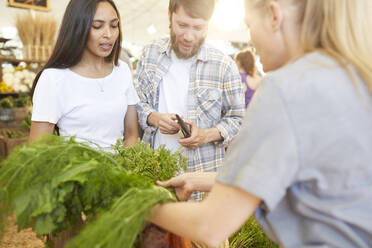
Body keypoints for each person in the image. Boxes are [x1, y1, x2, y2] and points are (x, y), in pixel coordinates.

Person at [146, 0, 372, 247]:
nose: (251, 41)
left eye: (249, 25)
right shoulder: (351, 74)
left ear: (274, 15)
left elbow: (210, 226)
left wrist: (139, 205)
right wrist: (197, 180)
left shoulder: (285, 88)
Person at [29, 0, 139, 246]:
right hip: (72, 195)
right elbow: (38, 151)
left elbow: (132, 133)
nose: (108, 35)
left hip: (116, 191)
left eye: (114, 25)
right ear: (77, 28)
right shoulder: (55, 79)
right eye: (97, 26)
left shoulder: (122, 72)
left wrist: (119, 171)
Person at [135, 0, 245, 202]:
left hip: (201, 184)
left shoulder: (223, 65)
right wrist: (153, 117)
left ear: (209, 24)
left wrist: (205, 135)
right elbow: (137, 103)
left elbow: (238, 120)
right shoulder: (150, 53)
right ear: (170, 15)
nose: (189, 36)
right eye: (182, 25)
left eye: (198, 28)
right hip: (154, 176)